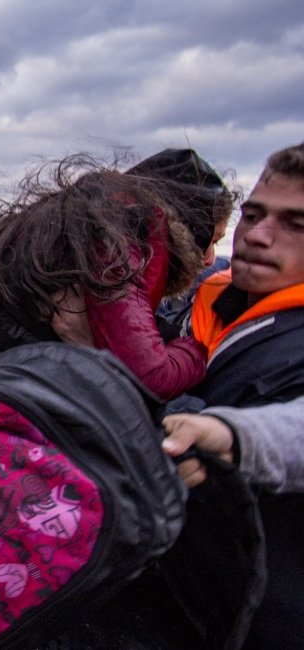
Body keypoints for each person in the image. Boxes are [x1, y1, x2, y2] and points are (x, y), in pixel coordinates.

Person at [0, 149, 234, 399]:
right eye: (211, 241)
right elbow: (151, 376)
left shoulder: (83, 220)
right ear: (188, 227)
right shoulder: (119, 242)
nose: (208, 260)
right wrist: (196, 351)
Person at [160, 142, 304, 648]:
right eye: (254, 214)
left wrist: (231, 436)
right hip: (172, 595)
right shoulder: (208, 301)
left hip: (258, 622)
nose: (258, 236)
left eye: (296, 224)